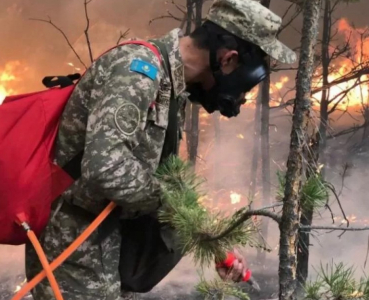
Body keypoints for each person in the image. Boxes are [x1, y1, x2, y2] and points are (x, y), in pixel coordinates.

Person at [25, 0, 297, 299]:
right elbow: (105, 169)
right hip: (74, 242)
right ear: (229, 59)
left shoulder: (170, 84)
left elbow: (159, 175)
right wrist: (170, 205)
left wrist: (211, 239)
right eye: (249, 80)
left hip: (109, 242)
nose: (242, 94)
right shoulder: (138, 72)